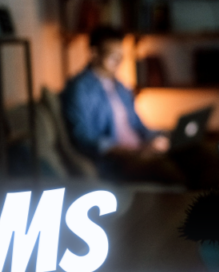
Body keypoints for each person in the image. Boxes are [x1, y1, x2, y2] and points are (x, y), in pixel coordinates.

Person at [61, 25, 182, 183]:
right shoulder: (79, 89)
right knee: (172, 171)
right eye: (113, 56)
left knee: (199, 155)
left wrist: (163, 136)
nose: (119, 62)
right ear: (94, 53)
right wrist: (127, 152)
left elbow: (139, 126)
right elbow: (82, 138)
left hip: (141, 150)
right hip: (119, 162)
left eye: (121, 56)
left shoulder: (122, 88)